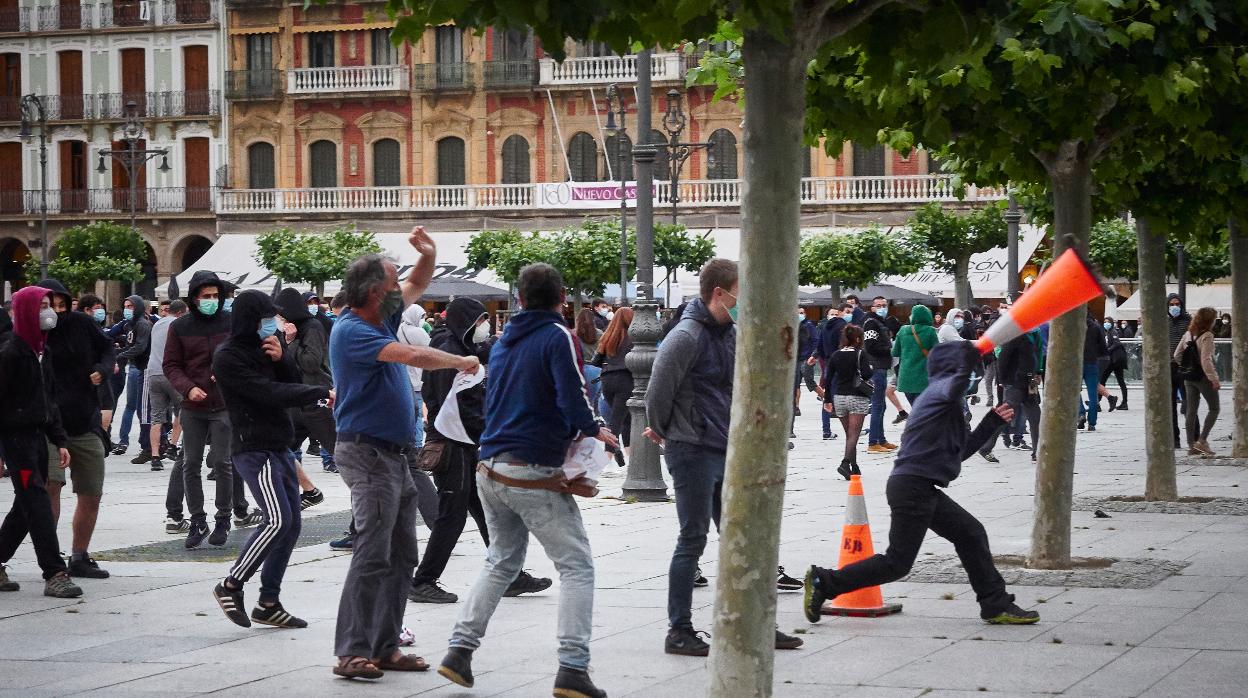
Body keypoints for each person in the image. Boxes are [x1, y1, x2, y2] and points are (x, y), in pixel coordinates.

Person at [437, 263, 616, 698]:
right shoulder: (558, 336)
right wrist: (596, 430)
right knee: (576, 565)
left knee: (501, 560)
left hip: (491, 464)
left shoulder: (502, 342)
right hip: (530, 468)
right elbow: (573, 397)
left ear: (519, 298)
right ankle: (572, 668)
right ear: (561, 299)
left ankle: (459, 650)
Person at [330, 228, 479, 681]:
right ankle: (351, 652)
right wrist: (459, 361)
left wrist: (430, 255)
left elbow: (417, 283)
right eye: (393, 284)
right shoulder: (353, 330)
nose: (402, 289)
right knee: (372, 555)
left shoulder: (380, 317)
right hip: (368, 454)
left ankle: (386, 645)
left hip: (396, 455)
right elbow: (412, 356)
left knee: (400, 555)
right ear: (376, 292)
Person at [804, 341, 1039, 627]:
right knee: (897, 563)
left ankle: (995, 604)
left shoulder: (944, 401)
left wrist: (990, 422)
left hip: (919, 487)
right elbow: (956, 383)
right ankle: (824, 581)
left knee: (971, 534)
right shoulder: (940, 394)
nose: (971, 376)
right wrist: (969, 357)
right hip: (913, 488)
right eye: (967, 370)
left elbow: (959, 452)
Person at [644, 259, 802, 657]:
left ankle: (757, 623)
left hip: (726, 448)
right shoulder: (685, 336)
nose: (743, 301)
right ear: (719, 292)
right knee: (693, 538)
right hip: (693, 450)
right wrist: (668, 429)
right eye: (739, 292)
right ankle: (678, 630)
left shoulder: (730, 333)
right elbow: (656, 394)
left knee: (745, 538)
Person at [412, 297, 553, 604]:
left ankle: (510, 574)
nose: (484, 327)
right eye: (480, 321)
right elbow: (455, 404)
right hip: (453, 444)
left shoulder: (460, 349)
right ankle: (423, 580)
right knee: (452, 516)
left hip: (466, 443)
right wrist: (489, 431)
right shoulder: (449, 353)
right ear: (468, 322)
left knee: (491, 514)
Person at [210, 290, 334, 630]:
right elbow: (267, 394)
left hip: (280, 446)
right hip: (254, 448)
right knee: (277, 520)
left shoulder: (268, 348)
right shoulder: (228, 357)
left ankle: (268, 602)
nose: (275, 323)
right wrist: (320, 392)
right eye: (268, 317)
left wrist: (282, 359)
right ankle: (231, 584)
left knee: (291, 524)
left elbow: (290, 383)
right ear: (251, 319)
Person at [0, 286, 82, 598]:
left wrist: (58, 439)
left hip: (36, 439)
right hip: (16, 442)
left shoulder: (41, 351)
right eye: (43, 306)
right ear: (24, 312)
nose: (49, 312)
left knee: (25, 505)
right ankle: (54, 572)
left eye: (50, 305)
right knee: (35, 500)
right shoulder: (10, 354)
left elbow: (50, 400)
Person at [35, 279, 115, 580]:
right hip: (48, 426)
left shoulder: (82, 324)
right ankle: (51, 558)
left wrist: (103, 370)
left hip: (84, 422)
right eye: (48, 305)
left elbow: (108, 348)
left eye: (60, 304)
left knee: (91, 492)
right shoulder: (32, 334)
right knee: (51, 487)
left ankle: (79, 556)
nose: (55, 311)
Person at [165, 271, 246, 549]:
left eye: (216, 296)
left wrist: (224, 370)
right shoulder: (180, 327)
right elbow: (171, 365)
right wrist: (187, 388)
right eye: (206, 296)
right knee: (190, 463)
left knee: (223, 462)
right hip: (192, 405)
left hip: (224, 404)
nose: (212, 301)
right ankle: (197, 519)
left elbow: (242, 353)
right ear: (195, 298)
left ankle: (224, 517)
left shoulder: (231, 322)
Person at [146, 301, 188, 532]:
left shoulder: (156, 324)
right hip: (172, 373)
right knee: (182, 411)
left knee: (156, 417)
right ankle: (172, 445)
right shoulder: (180, 324)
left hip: (153, 373)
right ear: (182, 312)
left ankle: (155, 457)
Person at [822, 324, 874, 479]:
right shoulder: (860, 354)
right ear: (858, 339)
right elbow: (866, 374)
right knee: (854, 435)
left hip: (839, 398)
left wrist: (827, 400)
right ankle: (845, 463)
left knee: (850, 435)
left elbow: (828, 378)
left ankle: (854, 466)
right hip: (857, 397)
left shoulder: (836, 355)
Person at [1174, 307, 1221, 457]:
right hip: (1203, 377)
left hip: (1189, 377)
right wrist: (1214, 379)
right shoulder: (1207, 335)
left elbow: (1177, 355)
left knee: (1191, 411)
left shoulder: (1188, 333)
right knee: (1214, 408)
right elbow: (1206, 360)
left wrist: (1186, 366)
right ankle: (1202, 440)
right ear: (1209, 321)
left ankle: (1191, 445)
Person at [593, 307, 634, 467]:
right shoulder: (634, 338)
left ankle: (629, 455)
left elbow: (596, 361)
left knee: (626, 419)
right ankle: (606, 459)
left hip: (607, 380)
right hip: (626, 380)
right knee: (617, 421)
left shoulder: (608, 336)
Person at [116, 295, 155, 463]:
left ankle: (148, 447)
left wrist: (119, 355)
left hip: (147, 369)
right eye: (125, 306)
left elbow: (140, 347)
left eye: (131, 306)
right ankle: (154, 444)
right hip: (141, 369)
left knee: (144, 410)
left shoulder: (142, 324)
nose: (127, 309)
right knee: (143, 409)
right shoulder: (131, 325)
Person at [994, 329, 1043, 458]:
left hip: (1029, 381)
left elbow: (1038, 353)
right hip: (1015, 382)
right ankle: (986, 445)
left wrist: (1038, 372)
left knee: (1035, 416)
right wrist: (1003, 380)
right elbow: (1002, 358)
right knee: (1007, 413)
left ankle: (1037, 451)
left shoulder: (1034, 334)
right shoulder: (1013, 335)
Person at [809, 303, 852, 440]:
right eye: (847, 311)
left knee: (828, 398)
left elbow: (820, 347)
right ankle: (853, 428)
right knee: (849, 397)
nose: (849, 314)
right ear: (840, 313)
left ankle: (826, 430)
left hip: (829, 365)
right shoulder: (843, 328)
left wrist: (814, 356)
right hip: (842, 366)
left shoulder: (824, 327)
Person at [862, 296, 897, 453]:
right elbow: (870, 346)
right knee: (877, 405)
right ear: (873, 308)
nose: (882, 307)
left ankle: (881, 440)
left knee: (881, 405)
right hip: (876, 367)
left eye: (884, 305)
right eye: (879, 305)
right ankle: (873, 442)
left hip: (881, 366)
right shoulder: (871, 323)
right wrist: (890, 350)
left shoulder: (880, 323)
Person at [893, 305, 939, 406]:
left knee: (916, 409)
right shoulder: (930, 331)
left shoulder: (903, 330)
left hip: (906, 379)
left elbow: (895, 352)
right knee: (924, 411)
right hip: (924, 379)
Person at [1166, 293, 1191, 447]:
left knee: (1189, 404)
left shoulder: (1188, 322)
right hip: (1169, 366)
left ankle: (1193, 438)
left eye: (1177, 304)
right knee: (1170, 406)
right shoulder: (1164, 322)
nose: (1174, 307)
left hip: (1184, 365)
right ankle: (1175, 439)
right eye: (1171, 304)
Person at [1077, 314, 1108, 431]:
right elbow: (1103, 347)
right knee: (1093, 393)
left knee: (1075, 391)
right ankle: (1092, 423)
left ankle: (1080, 413)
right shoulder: (1096, 327)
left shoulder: (1075, 326)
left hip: (1077, 363)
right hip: (1092, 363)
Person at [574, 308, 604, 412]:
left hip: (580, 370)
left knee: (583, 400)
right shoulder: (600, 334)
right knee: (596, 401)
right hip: (597, 372)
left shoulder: (574, 335)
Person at [1100, 316, 1128, 411]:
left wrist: (1108, 350)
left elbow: (1117, 343)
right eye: (1105, 322)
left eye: (1108, 322)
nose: (1106, 323)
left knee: (1103, 380)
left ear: (1111, 323)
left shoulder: (1113, 332)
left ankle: (1124, 402)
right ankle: (1097, 402)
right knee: (1104, 380)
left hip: (1115, 361)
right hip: (1112, 360)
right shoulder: (1106, 332)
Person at [794, 307, 818, 415]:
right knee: (796, 384)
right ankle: (796, 406)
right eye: (798, 313)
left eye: (802, 313)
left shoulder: (808, 325)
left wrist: (811, 355)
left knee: (810, 382)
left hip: (805, 359)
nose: (800, 314)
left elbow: (815, 340)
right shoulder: (794, 325)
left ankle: (826, 398)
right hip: (796, 359)